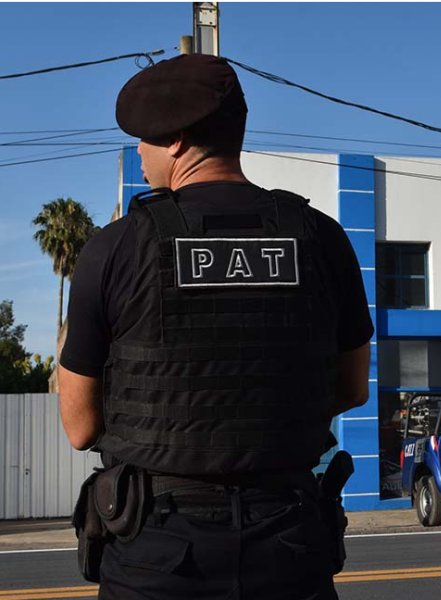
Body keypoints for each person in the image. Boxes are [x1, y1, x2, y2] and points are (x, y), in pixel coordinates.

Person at [58, 54, 373, 599]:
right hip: (290, 541)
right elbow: (349, 389)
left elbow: (80, 426)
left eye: (145, 138)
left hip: (158, 552)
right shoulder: (323, 238)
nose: (139, 150)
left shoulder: (116, 248)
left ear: (177, 140)